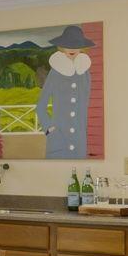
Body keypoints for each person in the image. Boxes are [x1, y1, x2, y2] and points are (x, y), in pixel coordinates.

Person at [33, 24, 95, 158]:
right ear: (61, 47)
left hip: (79, 142)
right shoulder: (55, 73)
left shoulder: (85, 74)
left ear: (81, 47)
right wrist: (49, 129)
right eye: (68, 45)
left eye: (76, 45)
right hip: (58, 140)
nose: (72, 49)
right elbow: (40, 106)